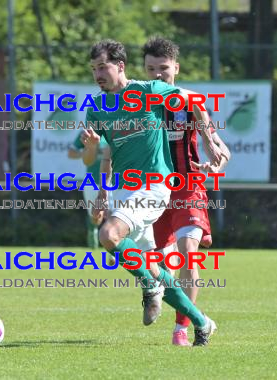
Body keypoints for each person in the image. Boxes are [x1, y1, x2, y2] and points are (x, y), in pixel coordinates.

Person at [81, 39, 222, 346]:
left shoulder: (146, 92)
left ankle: (149, 285)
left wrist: (210, 140)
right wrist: (93, 156)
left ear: (120, 66)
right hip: (122, 192)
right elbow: (95, 159)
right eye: (93, 69)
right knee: (156, 267)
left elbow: (194, 100)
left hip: (154, 187)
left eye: (102, 67)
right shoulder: (96, 108)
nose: (97, 75)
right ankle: (200, 321)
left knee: (108, 236)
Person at [143, 36, 231, 346]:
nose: (157, 75)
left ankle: (184, 326)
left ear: (176, 68)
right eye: (151, 68)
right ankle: (162, 298)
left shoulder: (191, 103)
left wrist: (214, 166)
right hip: (150, 191)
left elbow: (223, 152)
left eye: (163, 69)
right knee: (151, 263)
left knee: (187, 254)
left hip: (187, 187)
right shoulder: (136, 104)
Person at [68, 132, 110, 249]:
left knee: (114, 214)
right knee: (95, 216)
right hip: (92, 182)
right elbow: (71, 153)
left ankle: (114, 246)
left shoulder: (117, 128)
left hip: (113, 181)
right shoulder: (88, 132)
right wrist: (89, 152)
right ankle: (93, 230)